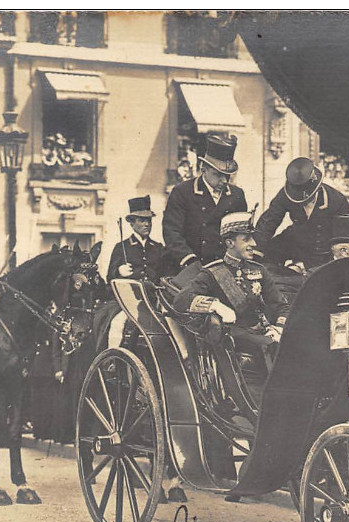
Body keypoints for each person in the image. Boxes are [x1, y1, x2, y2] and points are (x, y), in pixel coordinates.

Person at [173, 212, 290, 361]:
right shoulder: (212, 272)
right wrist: (214, 305)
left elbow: (281, 305)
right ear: (230, 243)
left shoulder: (259, 270)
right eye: (246, 239)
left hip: (263, 333)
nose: (253, 244)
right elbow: (181, 300)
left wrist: (279, 328)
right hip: (233, 339)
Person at [162, 135, 248, 270]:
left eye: (227, 176)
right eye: (218, 175)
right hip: (191, 266)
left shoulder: (237, 195)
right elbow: (172, 232)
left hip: (226, 267)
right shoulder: (182, 192)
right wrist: (190, 261)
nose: (224, 181)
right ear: (204, 170)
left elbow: (241, 234)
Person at [256, 157, 349, 272]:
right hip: (296, 242)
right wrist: (256, 251)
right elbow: (269, 222)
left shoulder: (337, 200)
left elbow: (345, 236)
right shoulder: (286, 194)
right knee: (267, 256)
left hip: (322, 250)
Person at [106, 196, 165, 285]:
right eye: (142, 220)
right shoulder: (122, 247)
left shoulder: (158, 247)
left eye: (149, 220)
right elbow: (109, 277)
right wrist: (118, 272)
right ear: (132, 224)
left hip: (154, 296)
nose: (147, 224)